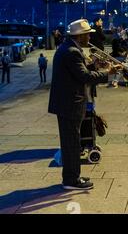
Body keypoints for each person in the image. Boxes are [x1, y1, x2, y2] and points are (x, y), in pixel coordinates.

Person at [48, 19, 121, 190]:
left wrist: (93, 65)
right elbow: (85, 78)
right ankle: (72, 181)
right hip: (70, 104)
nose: (89, 37)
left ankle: (72, 177)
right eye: (87, 34)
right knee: (72, 144)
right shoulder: (72, 51)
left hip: (66, 104)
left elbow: (79, 71)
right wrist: (107, 73)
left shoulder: (68, 48)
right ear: (79, 36)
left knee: (71, 142)